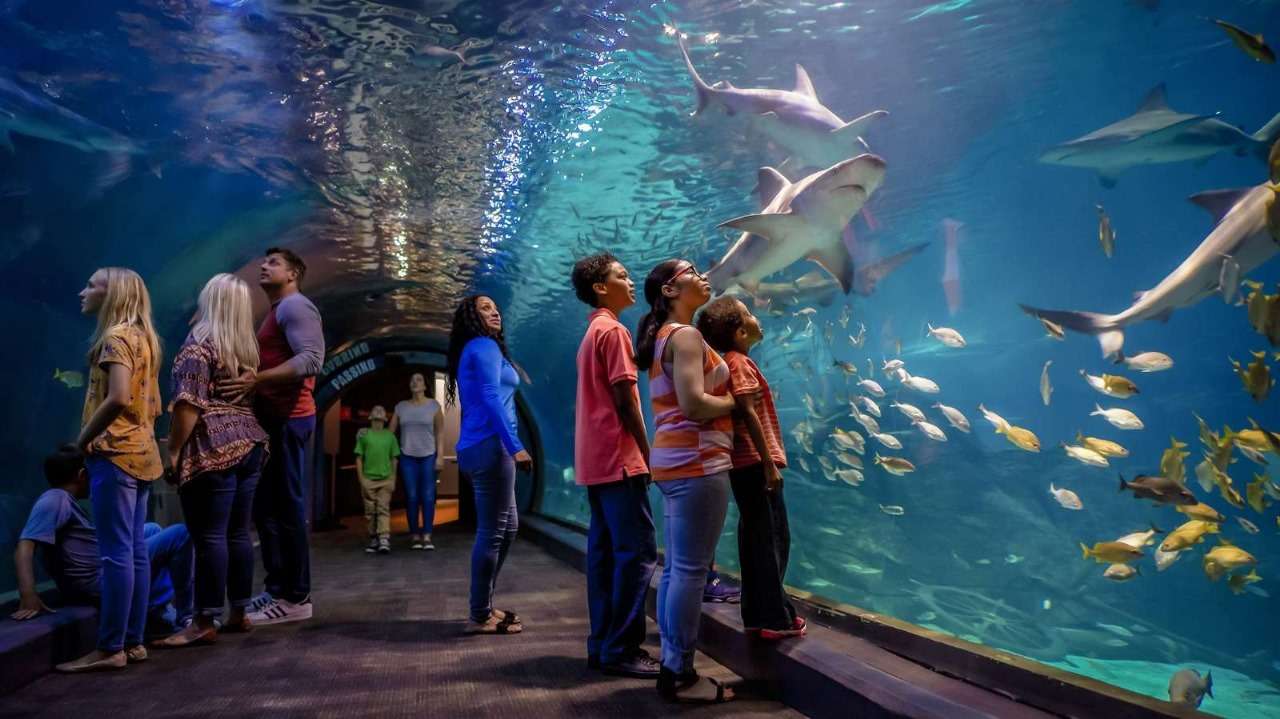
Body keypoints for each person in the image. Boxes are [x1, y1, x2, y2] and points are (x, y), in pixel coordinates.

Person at [635, 259, 735, 704]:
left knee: (677, 570)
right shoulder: (687, 335)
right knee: (690, 572)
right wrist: (737, 399)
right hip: (698, 461)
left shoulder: (663, 338)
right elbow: (695, 406)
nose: (703, 273)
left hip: (673, 463)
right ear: (671, 290)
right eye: (693, 270)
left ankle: (674, 667)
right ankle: (681, 673)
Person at [56, 267, 166, 672]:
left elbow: (119, 397)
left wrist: (84, 439)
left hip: (115, 454)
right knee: (134, 552)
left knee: (115, 555)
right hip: (142, 453)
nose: (82, 291)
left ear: (112, 294)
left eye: (91, 285)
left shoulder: (116, 339)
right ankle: (133, 641)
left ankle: (109, 648)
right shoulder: (146, 339)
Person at [157, 274, 269, 647]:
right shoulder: (244, 351)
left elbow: (188, 406)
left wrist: (173, 451)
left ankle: (204, 619)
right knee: (238, 533)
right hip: (249, 444)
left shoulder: (197, 348)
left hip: (213, 449)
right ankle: (238, 612)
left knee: (209, 536)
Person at [219, 247, 324, 626]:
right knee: (270, 509)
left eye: (274, 263)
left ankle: (298, 597)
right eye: (264, 262)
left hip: (289, 420)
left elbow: (312, 359)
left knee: (289, 508)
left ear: (293, 272)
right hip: (273, 422)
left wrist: (256, 378)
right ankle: (278, 588)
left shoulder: (296, 307)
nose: (264, 266)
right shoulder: (278, 310)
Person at [570, 253, 659, 678]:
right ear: (601, 288)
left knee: (604, 556)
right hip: (620, 459)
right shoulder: (616, 332)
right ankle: (623, 647)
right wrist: (647, 450)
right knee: (638, 554)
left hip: (595, 462)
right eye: (621, 275)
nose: (630, 280)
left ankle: (602, 644)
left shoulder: (591, 334)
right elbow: (625, 398)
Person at [697, 296, 805, 641]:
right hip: (756, 463)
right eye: (749, 314)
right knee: (773, 539)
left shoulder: (729, 361)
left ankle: (758, 614)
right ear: (742, 331)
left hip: (745, 464)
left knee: (757, 537)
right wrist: (770, 462)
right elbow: (747, 410)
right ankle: (776, 618)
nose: (758, 318)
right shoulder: (740, 362)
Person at [11, 445, 194, 642]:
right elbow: (25, 545)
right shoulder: (55, 499)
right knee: (180, 534)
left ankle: (156, 611)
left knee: (152, 528)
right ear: (82, 475)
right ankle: (186, 618)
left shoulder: (62, 499)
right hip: (98, 581)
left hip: (101, 570)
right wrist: (28, 594)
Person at [446, 295, 533, 635]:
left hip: (483, 446)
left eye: (496, 307)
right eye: (484, 308)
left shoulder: (481, 348)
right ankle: (479, 613)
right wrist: (516, 447)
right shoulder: (482, 345)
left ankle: (483, 603)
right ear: (471, 317)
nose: (494, 311)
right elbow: (489, 395)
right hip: (490, 447)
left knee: (507, 528)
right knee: (493, 531)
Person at [390, 374, 443, 550]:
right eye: (412, 379)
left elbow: (439, 433)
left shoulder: (434, 406)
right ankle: (414, 534)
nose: (414, 382)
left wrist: (440, 456)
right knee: (412, 497)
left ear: (425, 386)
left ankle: (427, 535)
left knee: (427, 497)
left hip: (429, 455)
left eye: (419, 379)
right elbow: (390, 434)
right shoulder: (401, 407)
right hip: (407, 456)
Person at [355, 405, 400, 555]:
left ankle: (384, 538)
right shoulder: (364, 435)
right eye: (375, 409)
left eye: (382, 410)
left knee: (383, 508)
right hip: (368, 479)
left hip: (386, 479)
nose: (379, 411)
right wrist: (362, 479)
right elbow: (359, 458)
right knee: (370, 511)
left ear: (386, 418)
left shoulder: (390, 437)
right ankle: (374, 537)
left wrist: (393, 478)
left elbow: (394, 458)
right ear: (370, 416)